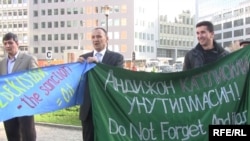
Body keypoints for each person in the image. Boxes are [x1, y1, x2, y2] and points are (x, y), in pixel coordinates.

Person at [78, 27, 124, 141]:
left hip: (107, 109)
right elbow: (77, 82)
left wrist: (98, 64)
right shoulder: (83, 58)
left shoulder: (117, 58)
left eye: (99, 36)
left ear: (107, 39)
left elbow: (117, 79)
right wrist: (76, 68)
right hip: (88, 110)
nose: (95, 39)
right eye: (93, 37)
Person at [0, 32, 38, 141]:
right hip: (9, 105)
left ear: (17, 43)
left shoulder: (28, 59)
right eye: (5, 43)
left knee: (28, 136)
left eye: (10, 43)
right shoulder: (2, 63)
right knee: (12, 136)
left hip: (25, 104)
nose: (7, 46)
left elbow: (36, 79)